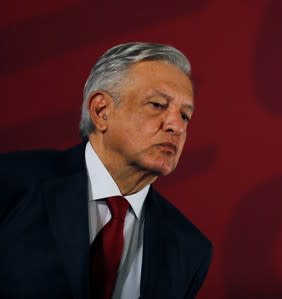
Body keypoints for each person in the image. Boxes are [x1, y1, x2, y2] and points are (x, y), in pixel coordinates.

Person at [0, 42, 212, 299]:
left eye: (185, 116)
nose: (176, 126)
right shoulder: (11, 182)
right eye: (157, 104)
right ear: (101, 111)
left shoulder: (189, 249)